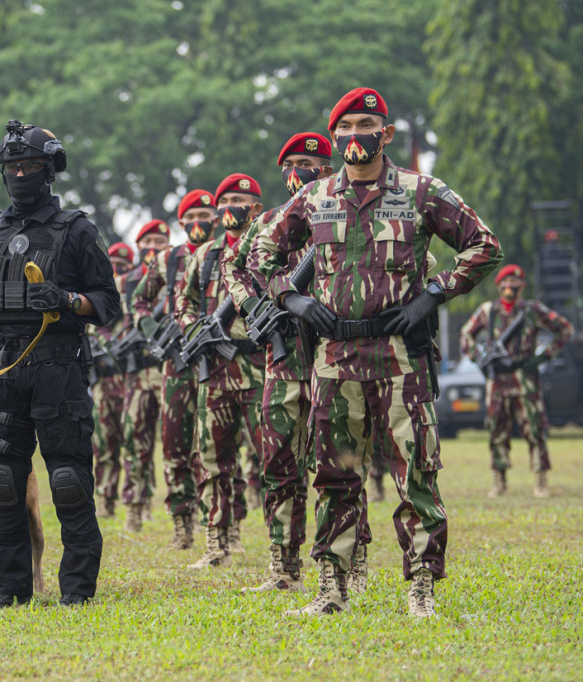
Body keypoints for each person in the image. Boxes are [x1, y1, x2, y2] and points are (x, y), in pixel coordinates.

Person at [250, 88, 503, 617]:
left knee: (416, 474)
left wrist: (434, 294)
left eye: (366, 124)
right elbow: (261, 249)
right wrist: (292, 298)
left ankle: (421, 590)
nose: (353, 136)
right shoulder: (316, 197)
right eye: (343, 128)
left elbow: (483, 245)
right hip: (334, 358)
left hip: (400, 358)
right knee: (334, 477)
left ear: (385, 134)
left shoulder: (420, 192)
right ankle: (332, 589)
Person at [0, 120, 119, 607]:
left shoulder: (77, 230)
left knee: (67, 482)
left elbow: (108, 303)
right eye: (12, 167)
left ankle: (77, 591)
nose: (20, 174)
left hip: (57, 367)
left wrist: (66, 299)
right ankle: (10, 589)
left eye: (30, 166)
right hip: (0, 371)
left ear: (50, 171)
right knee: (2, 483)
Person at [226, 133, 335, 592]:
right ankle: (283, 567)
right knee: (278, 460)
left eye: (309, 162)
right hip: (283, 355)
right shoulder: (269, 221)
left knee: (338, 462)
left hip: (335, 351)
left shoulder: (342, 211)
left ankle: (349, 563)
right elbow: (236, 265)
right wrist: (254, 307)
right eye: (292, 164)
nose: (299, 172)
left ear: (327, 170)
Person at [174, 177, 264, 568]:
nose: (231, 206)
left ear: (256, 207)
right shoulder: (207, 255)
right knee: (212, 461)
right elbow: (185, 302)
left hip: (262, 367)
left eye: (239, 200)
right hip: (216, 369)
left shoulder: (270, 246)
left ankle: (280, 549)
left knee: (271, 458)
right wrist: (198, 332)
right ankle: (216, 545)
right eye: (225, 200)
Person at [132, 192, 214, 551]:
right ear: (182, 222)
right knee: (175, 443)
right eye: (192, 214)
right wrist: (149, 328)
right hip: (178, 361)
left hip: (218, 360)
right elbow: (140, 298)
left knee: (217, 448)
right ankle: (183, 525)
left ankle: (223, 528)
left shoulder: (225, 252)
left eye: (205, 213)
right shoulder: (169, 258)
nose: (199, 220)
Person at [460, 264, 573, 498]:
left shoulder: (532, 310)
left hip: (525, 378)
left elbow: (565, 329)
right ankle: (499, 480)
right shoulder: (487, 310)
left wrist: (543, 356)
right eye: (506, 283)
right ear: (498, 285)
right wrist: (479, 356)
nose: (510, 287)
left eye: (515, 283)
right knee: (496, 430)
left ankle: (540, 480)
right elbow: (466, 334)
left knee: (535, 428)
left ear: (522, 286)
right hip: (497, 380)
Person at [119, 220, 171, 532]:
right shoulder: (126, 282)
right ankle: (134, 509)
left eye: (159, 241)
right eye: (147, 240)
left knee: (179, 440)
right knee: (134, 441)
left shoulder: (177, 275)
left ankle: (184, 514)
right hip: (137, 371)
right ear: (138, 246)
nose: (153, 246)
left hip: (169, 367)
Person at [90, 241, 134, 518]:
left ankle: (133, 504)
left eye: (124, 266)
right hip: (104, 384)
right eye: (112, 264)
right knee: (104, 445)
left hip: (131, 382)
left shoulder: (135, 303)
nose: (117, 270)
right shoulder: (94, 299)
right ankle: (105, 500)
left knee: (133, 445)